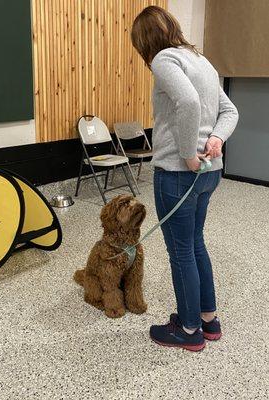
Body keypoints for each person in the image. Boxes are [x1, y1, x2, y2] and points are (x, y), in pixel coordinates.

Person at [131, 6, 239, 351]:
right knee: (194, 244)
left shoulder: (164, 59)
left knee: (181, 252)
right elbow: (229, 110)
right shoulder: (201, 60)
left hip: (179, 174)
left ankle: (189, 331)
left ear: (143, 41)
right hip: (210, 174)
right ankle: (208, 320)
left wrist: (190, 155)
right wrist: (217, 138)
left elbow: (188, 103)